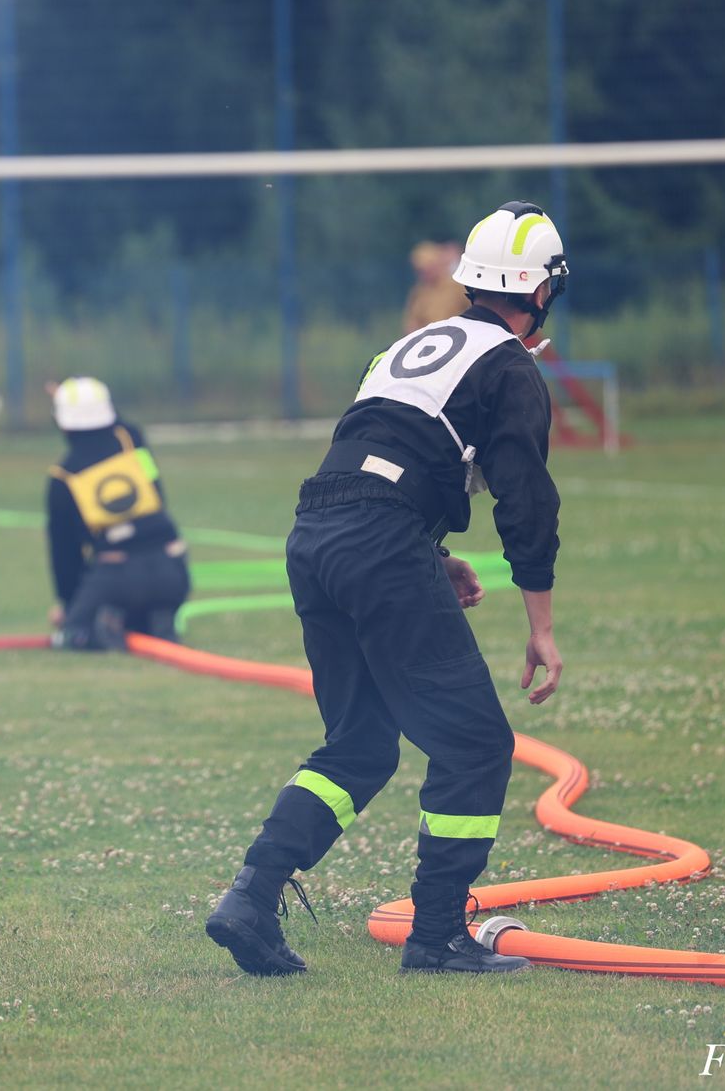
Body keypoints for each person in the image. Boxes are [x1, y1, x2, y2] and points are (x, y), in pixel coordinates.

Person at [205, 201, 567, 978]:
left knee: (360, 744)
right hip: (379, 540)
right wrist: (540, 625)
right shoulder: (511, 367)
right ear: (540, 293)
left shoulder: (406, 348)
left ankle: (250, 896)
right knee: (476, 745)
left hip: (317, 533)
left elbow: (371, 458)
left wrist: (429, 556)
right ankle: (435, 935)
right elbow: (526, 501)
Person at [43, 377, 189, 652]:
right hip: (173, 571)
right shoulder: (132, 441)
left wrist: (70, 607)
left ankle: (106, 624)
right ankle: (155, 619)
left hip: (118, 577)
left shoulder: (63, 477)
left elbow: (64, 554)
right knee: (146, 618)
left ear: (62, 422)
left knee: (74, 636)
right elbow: (154, 486)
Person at [403, 240, 467, 332]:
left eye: (429, 268)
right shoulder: (419, 292)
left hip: (456, 337)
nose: (425, 274)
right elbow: (412, 324)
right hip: (429, 340)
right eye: (421, 271)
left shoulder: (457, 286)